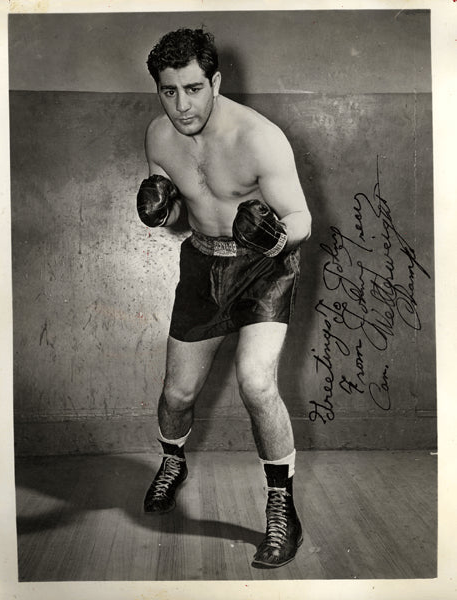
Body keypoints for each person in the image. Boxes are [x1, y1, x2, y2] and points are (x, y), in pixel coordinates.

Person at [137, 28, 311, 569]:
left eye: (193, 88)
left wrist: (278, 237)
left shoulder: (259, 138)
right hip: (202, 264)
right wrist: (161, 208)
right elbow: (178, 213)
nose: (182, 105)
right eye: (169, 92)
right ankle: (172, 461)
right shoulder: (159, 138)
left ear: (215, 80)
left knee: (257, 382)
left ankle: (282, 508)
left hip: (264, 267)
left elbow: (302, 218)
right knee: (178, 395)